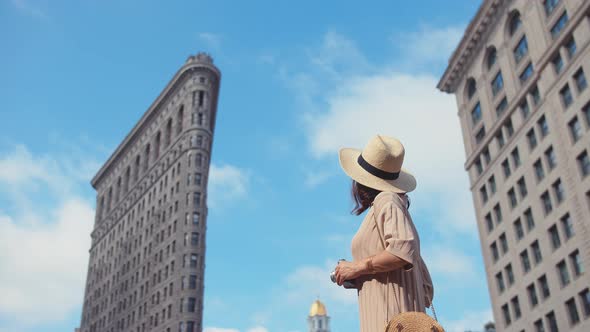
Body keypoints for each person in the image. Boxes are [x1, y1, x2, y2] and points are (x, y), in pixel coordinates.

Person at [333, 134, 434, 332]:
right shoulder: (389, 205)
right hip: (387, 313)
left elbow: (401, 250)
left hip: (391, 317)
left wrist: (356, 268)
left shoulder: (386, 200)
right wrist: (359, 273)